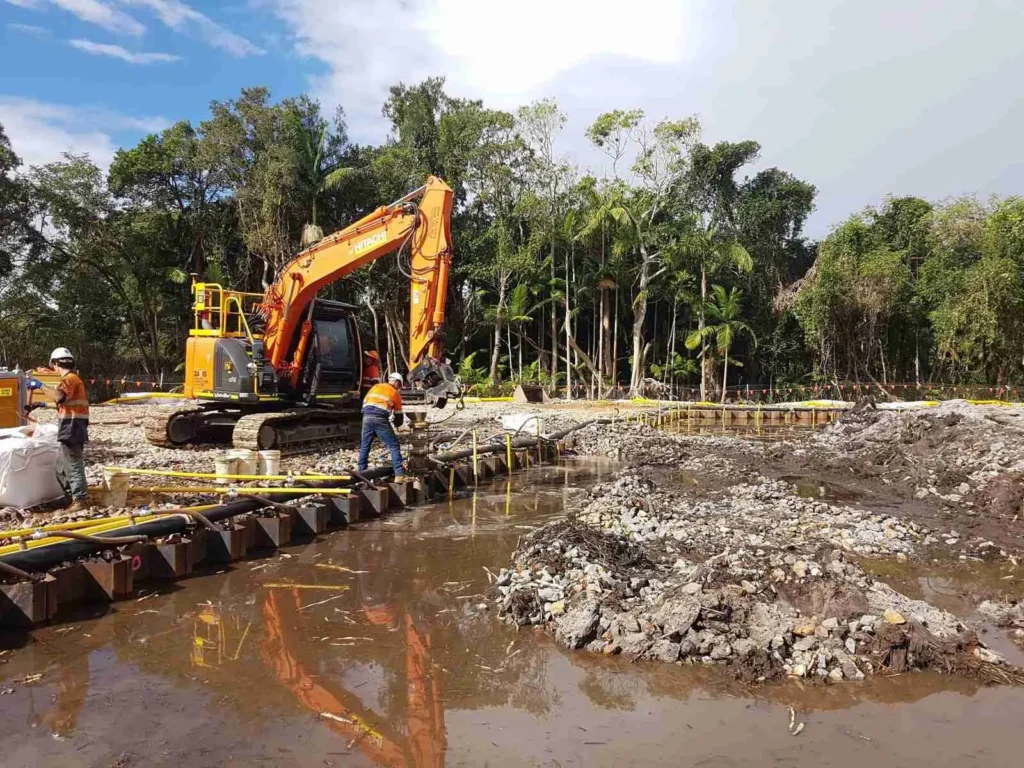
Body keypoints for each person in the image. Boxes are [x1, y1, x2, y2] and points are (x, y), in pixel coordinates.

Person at [40, 348, 90, 511]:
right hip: (72, 425)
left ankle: (80, 500)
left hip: (72, 426)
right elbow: (64, 402)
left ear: (55, 363)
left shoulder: (69, 379)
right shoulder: (73, 380)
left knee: (73, 464)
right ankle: (69, 497)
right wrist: (40, 404)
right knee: (61, 467)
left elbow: (59, 397)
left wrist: (39, 385)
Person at [358, 371, 406, 478]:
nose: (399, 388)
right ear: (397, 383)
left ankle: (361, 473)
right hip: (379, 418)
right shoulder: (394, 393)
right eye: (399, 386)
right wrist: (397, 424)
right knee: (394, 445)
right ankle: (399, 474)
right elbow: (399, 417)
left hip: (366, 417)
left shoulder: (376, 387)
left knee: (365, 446)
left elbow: (366, 402)